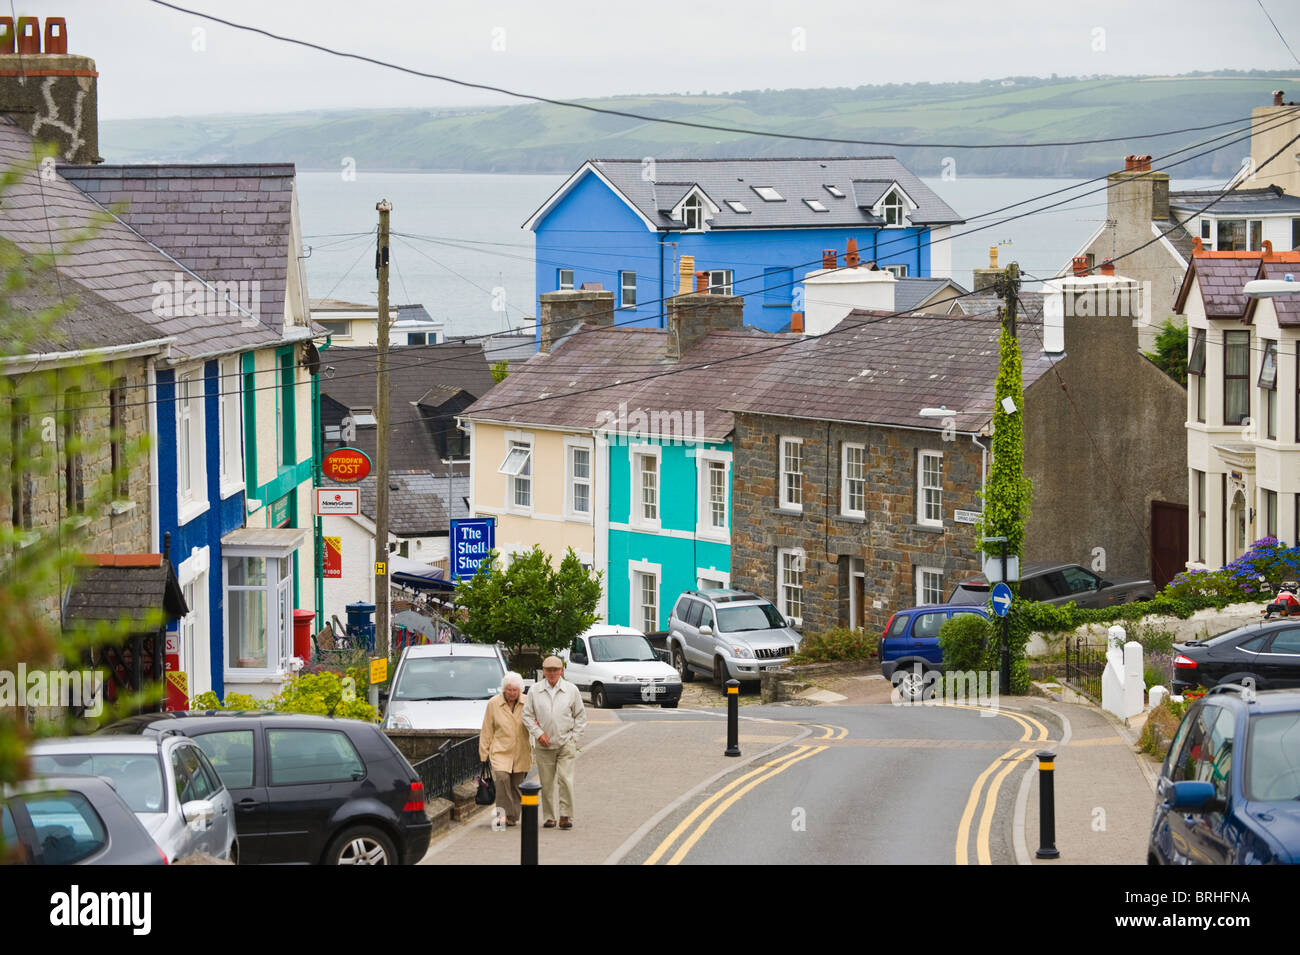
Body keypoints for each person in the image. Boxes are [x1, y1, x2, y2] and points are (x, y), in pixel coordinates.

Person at [522, 655, 587, 830]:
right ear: (543, 671)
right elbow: (527, 715)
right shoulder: (535, 690)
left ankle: (566, 816)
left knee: (565, 780)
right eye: (548, 670)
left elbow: (580, 716)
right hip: (544, 744)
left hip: (566, 742)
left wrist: (574, 738)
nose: (551, 674)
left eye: (555, 670)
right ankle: (550, 817)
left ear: (561, 671)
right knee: (547, 782)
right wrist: (538, 733)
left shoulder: (571, 690)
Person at [479, 671, 531, 827]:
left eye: (515, 690)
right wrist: (483, 753)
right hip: (500, 750)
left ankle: (513, 816)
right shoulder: (494, 703)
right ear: (504, 689)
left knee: (516, 785)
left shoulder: (527, 702)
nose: (512, 693)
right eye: (509, 690)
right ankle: (502, 816)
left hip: (521, 750)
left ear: (520, 690)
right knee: (502, 779)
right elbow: (487, 729)